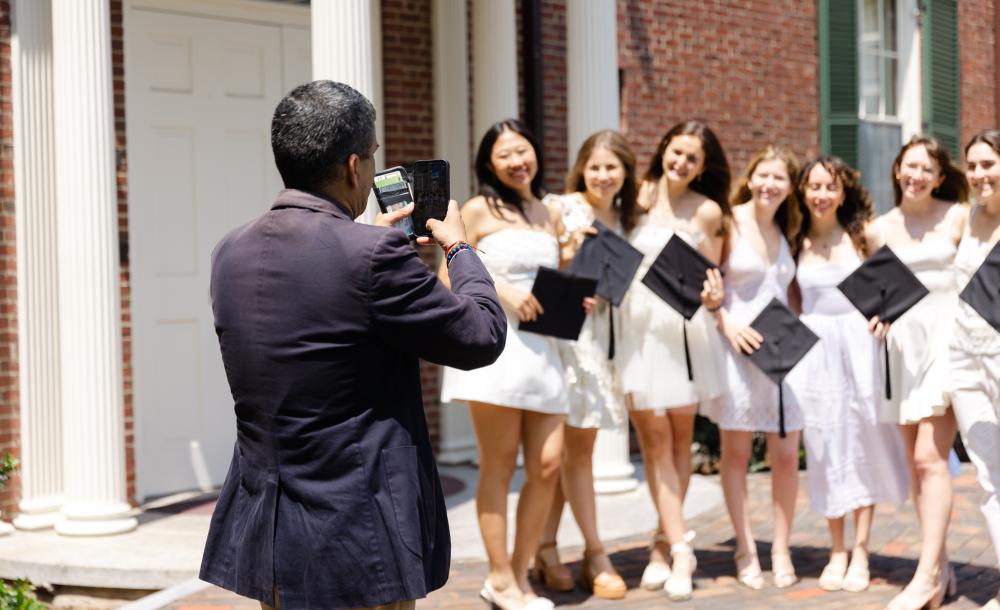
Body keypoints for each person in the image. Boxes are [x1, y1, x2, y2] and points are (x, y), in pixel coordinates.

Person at [198, 80, 507, 610]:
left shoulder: (230, 250)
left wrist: (376, 244)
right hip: (358, 533)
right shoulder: (371, 255)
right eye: (372, 156)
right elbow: (481, 335)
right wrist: (459, 248)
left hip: (270, 531)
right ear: (352, 166)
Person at [439, 119, 571, 610]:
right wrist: (504, 291)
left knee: (549, 464)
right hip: (496, 344)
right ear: (488, 164)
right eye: (505, 155)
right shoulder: (476, 208)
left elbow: (553, 280)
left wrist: (574, 299)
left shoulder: (548, 211)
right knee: (498, 465)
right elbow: (448, 278)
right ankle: (499, 577)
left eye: (524, 150)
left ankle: (519, 574)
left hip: (544, 349)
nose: (518, 161)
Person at [617, 120, 731, 599]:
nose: (680, 163)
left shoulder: (707, 212)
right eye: (676, 152)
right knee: (653, 441)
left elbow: (714, 279)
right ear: (663, 149)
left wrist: (714, 296)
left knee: (680, 440)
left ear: (703, 168)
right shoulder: (636, 197)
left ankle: (665, 545)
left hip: (685, 333)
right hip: (637, 332)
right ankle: (678, 545)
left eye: (692, 159)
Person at [786, 156, 909, 593]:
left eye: (830, 187)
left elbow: (896, 289)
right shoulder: (795, 239)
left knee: (864, 442)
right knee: (823, 447)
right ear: (803, 190)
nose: (821, 195)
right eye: (813, 186)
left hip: (860, 350)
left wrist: (886, 318)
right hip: (815, 354)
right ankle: (835, 550)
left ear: (843, 191)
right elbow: (793, 301)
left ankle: (860, 550)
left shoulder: (863, 236)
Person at [534, 130, 639, 601]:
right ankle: (596, 553)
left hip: (606, 341)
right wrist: (569, 253)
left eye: (612, 167)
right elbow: (540, 266)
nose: (603, 175)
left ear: (625, 173)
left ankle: (547, 548)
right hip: (568, 341)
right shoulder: (562, 207)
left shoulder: (626, 216)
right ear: (582, 167)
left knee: (572, 452)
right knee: (575, 452)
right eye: (595, 166)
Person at [868, 136, 969, 610]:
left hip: (947, 348)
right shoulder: (877, 229)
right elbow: (878, 294)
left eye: (927, 169)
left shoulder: (957, 216)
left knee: (931, 458)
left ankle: (925, 575)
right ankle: (942, 566)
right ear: (896, 170)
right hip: (900, 354)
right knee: (917, 467)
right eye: (910, 166)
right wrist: (874, 316)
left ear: (941, 176)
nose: (917, 176)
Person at [701, 145, 802, 590]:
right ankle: (745, 546)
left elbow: (790, 293)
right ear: (751, 176)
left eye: (779, 178)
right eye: (763, 175)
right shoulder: (729, 221)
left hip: (779, 356)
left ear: (789, 186)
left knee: (784, 456)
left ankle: (781, 546)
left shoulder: (787, 228)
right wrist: (726, 322)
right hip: (737, 353)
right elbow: (708, 288)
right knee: (737, 456)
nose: (770, 185)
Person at [952, 129, 1000, 610]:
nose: (980, 174)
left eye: (989, 164)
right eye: (973, 166)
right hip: (964, 359)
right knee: (988, 474)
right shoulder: (963, 218)